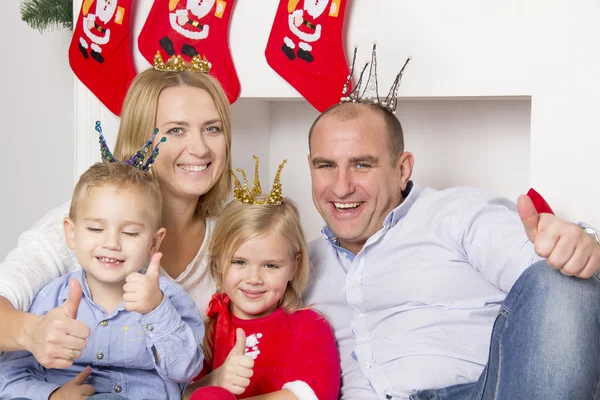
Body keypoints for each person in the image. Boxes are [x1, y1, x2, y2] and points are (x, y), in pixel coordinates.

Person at [304, 93, 600, 399]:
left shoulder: (459, 215)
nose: (341, 186)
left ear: (402, 169)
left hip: (478, 392)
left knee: (561, 278)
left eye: (362, 164)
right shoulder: (294, 265)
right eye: (325, 165)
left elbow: (554, 280)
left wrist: (581, 246)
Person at [0, 59, 232, 371]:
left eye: (212, 129)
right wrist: (32, 333)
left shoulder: (232, 239)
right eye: (176, 130)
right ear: (141, 139)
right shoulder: (80, 229)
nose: (200, 148)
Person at [0, 160, 205, 399]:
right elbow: (9, 376)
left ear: (153, 243)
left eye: (130, 233)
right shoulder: (50, 300)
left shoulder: (168, 299)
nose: (111, 244)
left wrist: (157, 311)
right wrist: (51, 395)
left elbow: (187, 370)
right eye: (96, 229)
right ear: (71, 233)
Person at [187, 158, 340, 400]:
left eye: (270, 265)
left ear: (293, 266)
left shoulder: (308, 326)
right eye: (239, 262)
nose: (254, 278)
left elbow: (317, 392)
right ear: (218, 262)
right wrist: (217, 378)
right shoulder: (209, 331)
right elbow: (185, 394)